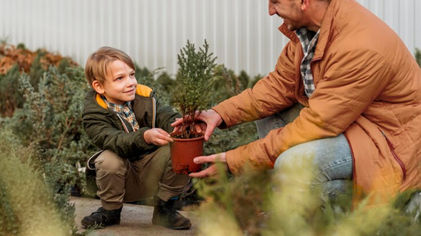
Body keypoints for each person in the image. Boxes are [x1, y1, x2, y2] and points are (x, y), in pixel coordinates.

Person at [172, 0, 421, 203]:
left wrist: (234, 161)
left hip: (387, 140)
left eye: (275, 2)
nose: (270, 11)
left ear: (304, 2)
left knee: (292, 165)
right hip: (352, 123)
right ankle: (299, 194)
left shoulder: (361, 46)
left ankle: (378, 205)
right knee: (270, 118)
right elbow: (280, 86)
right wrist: (219, 113)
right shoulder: (312, 31)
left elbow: (316, 124)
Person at [81, 47, 191, 229]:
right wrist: (145, 136)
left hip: (151, 171)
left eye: (132, 75)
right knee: (108, 159)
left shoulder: (144, 96)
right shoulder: (94, 113)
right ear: (99, 86)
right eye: (120, 78)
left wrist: (182, 124)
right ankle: (110, 211)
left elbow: (166, 116)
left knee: (181, 147)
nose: (130, 82)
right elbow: (114, 140)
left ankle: (165, 209)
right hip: (121, 180)